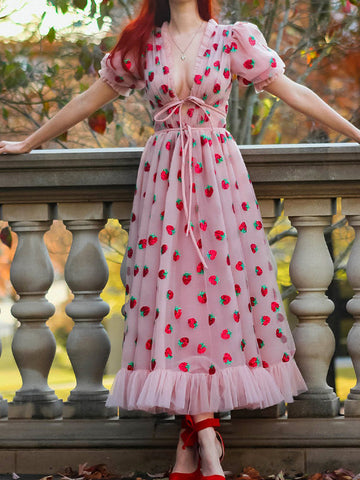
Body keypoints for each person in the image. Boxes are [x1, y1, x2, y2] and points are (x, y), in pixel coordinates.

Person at [1, 0, 359, 478]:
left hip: (220, 183)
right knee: (174, 305)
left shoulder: (234, 38)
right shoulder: (142, 43)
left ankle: (192, 442)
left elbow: (293, 91)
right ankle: (205, 438)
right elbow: (88, 100)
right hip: (164, 187)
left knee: (220, 305)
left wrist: (356, 132)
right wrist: (28, 142)